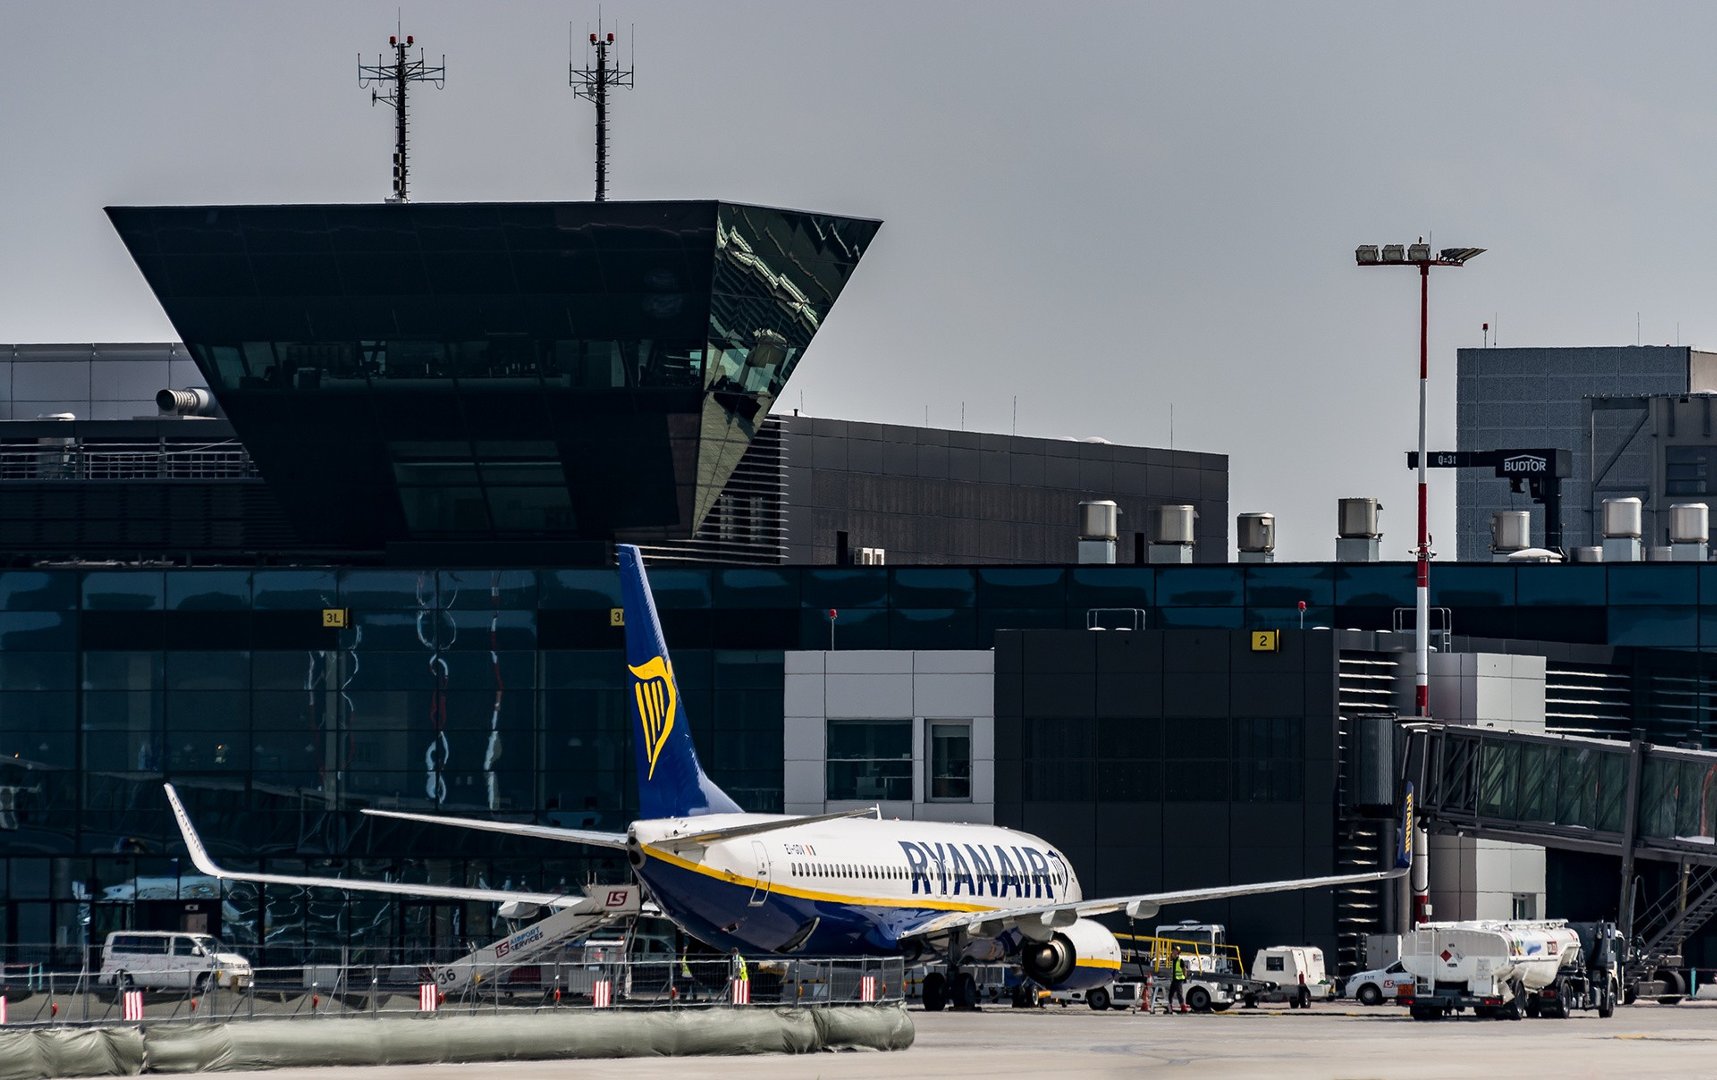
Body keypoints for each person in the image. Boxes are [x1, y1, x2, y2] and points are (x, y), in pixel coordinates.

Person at [1168, 947, 1188, 1014]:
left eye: (1175, 950)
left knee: (1179, 994)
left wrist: (1185, 978)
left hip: (1179, 980)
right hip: (1174, 979)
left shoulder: (1180, 960)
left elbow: (1184, 969)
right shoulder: (1173, 960)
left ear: (1178, 952)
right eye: (1173, 950)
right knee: (1171, 993)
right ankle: (1170, 1007)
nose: (1173, 951)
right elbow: (1168, 960)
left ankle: (1183, 1007)